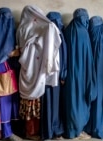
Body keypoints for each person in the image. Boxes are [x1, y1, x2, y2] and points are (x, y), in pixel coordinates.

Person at [16, 5, 61, 140]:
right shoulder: (45, 28)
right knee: (36, 103)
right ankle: (33, 132)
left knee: (27, 101)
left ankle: (29, 131)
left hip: (26, 69)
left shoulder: (21, 28)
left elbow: (19, 47)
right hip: (38, 69)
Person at [0, 7, 22, 141]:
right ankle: (4, 132)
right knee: (3, 104)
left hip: (8, 70)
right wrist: (8, 54)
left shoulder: (9, 30)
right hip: (0, 70)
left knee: (9, 103)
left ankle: (9, 130)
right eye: (5, 17)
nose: (9, 20)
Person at [63, 8, 96, 139]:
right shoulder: (83, 32)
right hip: (82, 75)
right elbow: (88, 58)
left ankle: (71, 130)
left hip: (69, 76)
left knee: (70, 101)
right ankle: (77, 129)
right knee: (80, 102)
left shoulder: (67, 30)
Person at [39, 11, 67, 140]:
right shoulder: (59, 33)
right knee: (55, 104)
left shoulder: (43, 32)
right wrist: (63, 74)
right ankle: (55, 129)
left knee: (47, 104)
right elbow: (64, 56)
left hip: (44, 76)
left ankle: (48, 130)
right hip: (55, 76)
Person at [84, 15, 103, 139]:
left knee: (94, 98)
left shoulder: (89, 40)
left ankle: (93, 127)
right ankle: (99, 127)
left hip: (94, 76)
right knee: (102, 99)